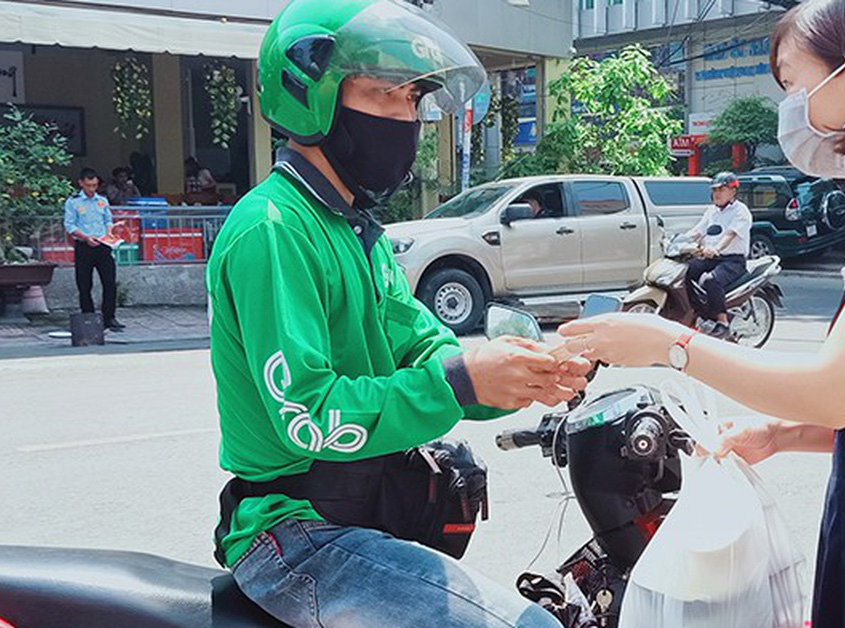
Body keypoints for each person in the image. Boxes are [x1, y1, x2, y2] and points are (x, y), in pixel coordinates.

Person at [560, 1, 845, 627]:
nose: (789, 105)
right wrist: (781, 434)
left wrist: (671, 343)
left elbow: (837, 390)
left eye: (792, 82)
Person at [206, 2, 588, 626]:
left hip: (362, 512)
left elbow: (422, 345)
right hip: (293, 535)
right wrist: (459, 381)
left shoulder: (358, 231)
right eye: (386, 94)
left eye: (413, 100)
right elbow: (307, 416)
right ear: (313, 94)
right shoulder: (272, 229)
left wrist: (514, 373)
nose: (406, 118)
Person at [683, 172, 752, 339]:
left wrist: (716, 248)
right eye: (715, 190)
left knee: (709, 280)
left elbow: (730, 235)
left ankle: (723, 322)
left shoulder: (740, 211)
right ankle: (695, 313)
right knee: (686, 271)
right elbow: (697, 231)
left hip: (732, 260)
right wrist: (679, 241)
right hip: (710, 258)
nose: (717, 193)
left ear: (733, 191)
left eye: (722, 189)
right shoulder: (711, 211)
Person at [63, 168, 123, 332]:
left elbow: (107, 219)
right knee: (84, 284)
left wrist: (110, 231)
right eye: (89, 185)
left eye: (95, 185)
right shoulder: (73, 202)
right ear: (81, 183)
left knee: (110, 283)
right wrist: (85, 237)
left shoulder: (101, 201)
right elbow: (69, 225)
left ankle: (109, 317)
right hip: (84, 246)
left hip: (103, 246)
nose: (92, 189)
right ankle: (88, 317)